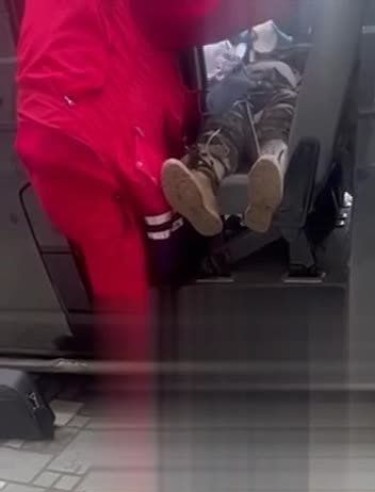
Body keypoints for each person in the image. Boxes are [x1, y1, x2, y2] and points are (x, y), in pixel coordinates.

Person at [15, 0, 292, 350]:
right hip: (82, 125)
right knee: (126, 265)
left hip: (62, 123)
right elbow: (181, 15)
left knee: (122, 265)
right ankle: (148, 362)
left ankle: (205, 180)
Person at [161, 20, 304, 237]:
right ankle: (203, 185)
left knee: (277, 120)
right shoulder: (233, 51)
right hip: (240, 100)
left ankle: (268, 177)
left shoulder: (294, 52)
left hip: (276, 95)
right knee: (225, 124)